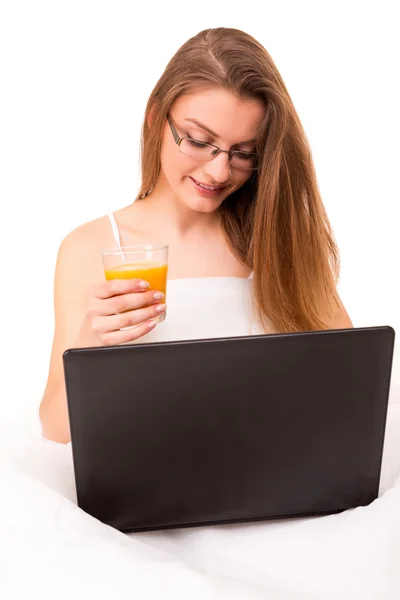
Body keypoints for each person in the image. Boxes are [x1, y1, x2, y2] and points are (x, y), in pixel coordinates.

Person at [39, 27, 353, 444]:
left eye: (244, 152)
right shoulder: (91, 248)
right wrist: (92, 341)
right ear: (155, 118)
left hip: (270, 483)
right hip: (149, 489)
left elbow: (352, 385)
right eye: (200, 141)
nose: (219, 171)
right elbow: (56, 432)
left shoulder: (275, 241)